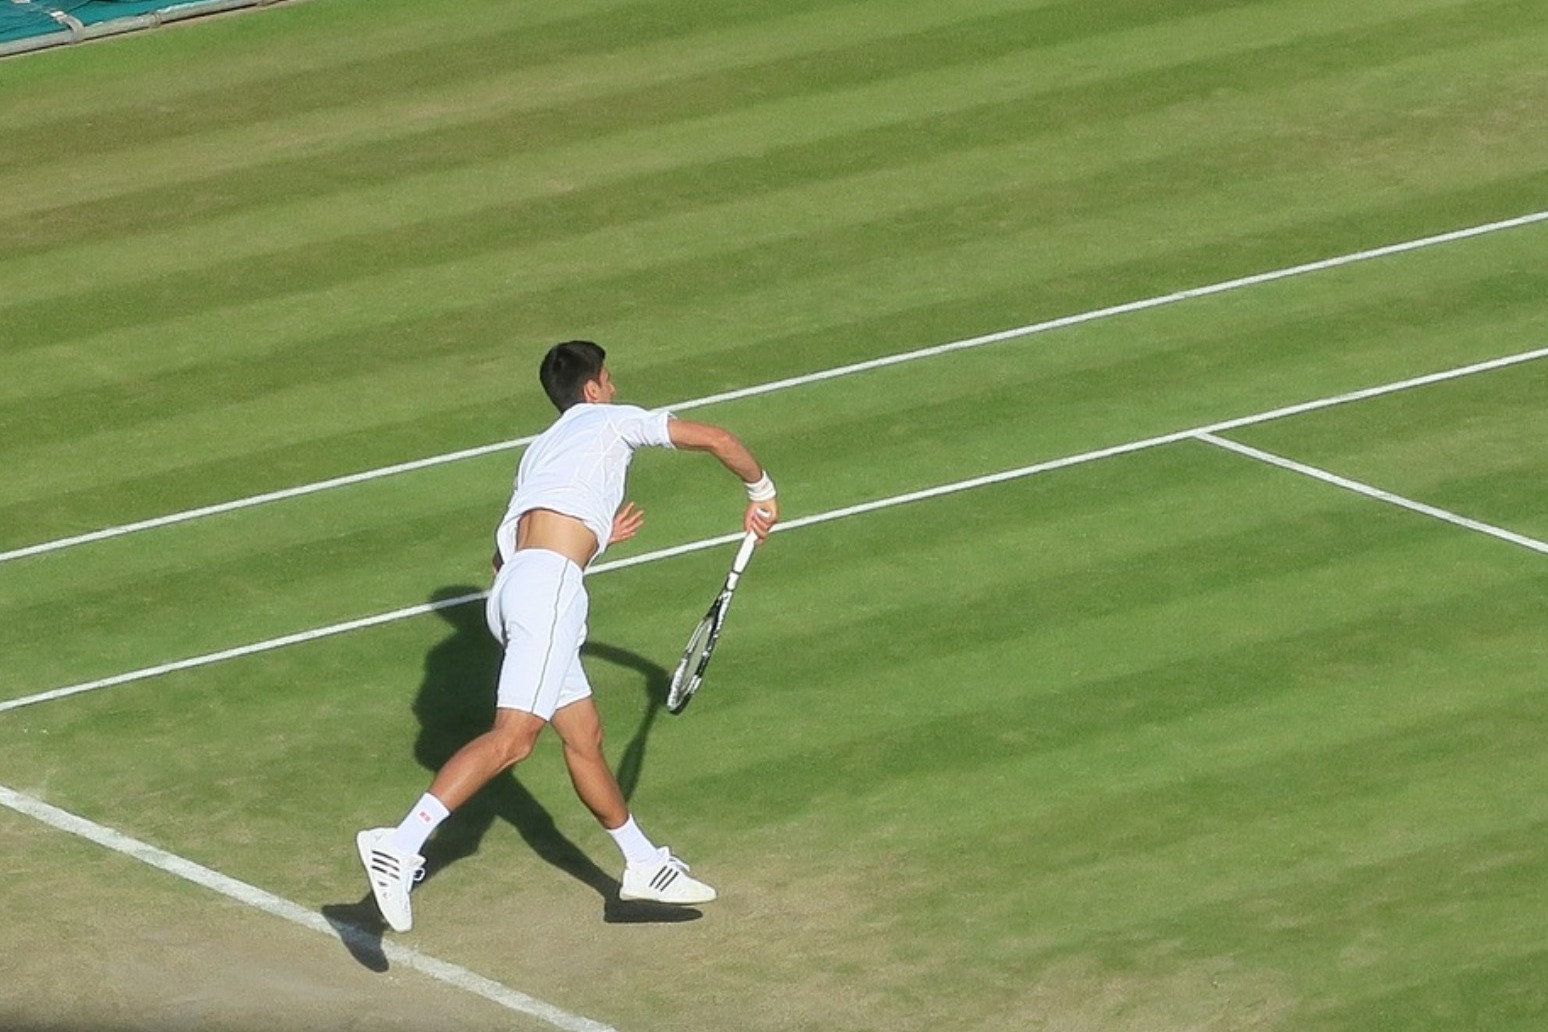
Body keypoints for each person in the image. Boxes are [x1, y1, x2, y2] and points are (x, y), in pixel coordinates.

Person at [355, 340, 779, 933]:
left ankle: (642, 863)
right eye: (609, 379)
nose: (614, 387)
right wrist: (762, 493)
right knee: (515, 739)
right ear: (594, 388)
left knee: (584, 735)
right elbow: (718, 439)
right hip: (549, 590)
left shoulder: (542, 450)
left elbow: (515, 554)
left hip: (514, 592)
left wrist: (596, 537)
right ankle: (399, 842)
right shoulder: (614, 420)